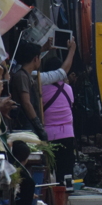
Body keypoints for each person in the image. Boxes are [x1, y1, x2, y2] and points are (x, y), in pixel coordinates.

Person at [39, 55, 76, 183]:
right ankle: (67, 191)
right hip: (68, 133)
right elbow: (70, 104)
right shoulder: (68, 88)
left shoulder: (42, 89)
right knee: (66, 168)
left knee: (51, 169)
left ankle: (54, 196)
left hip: (49, 134)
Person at [12, 42, 47, 140]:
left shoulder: (26, 75)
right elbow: (26, 103)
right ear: (36, 59)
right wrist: (38, 125)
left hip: (29, 124)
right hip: (25, 125)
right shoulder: (22, 76)